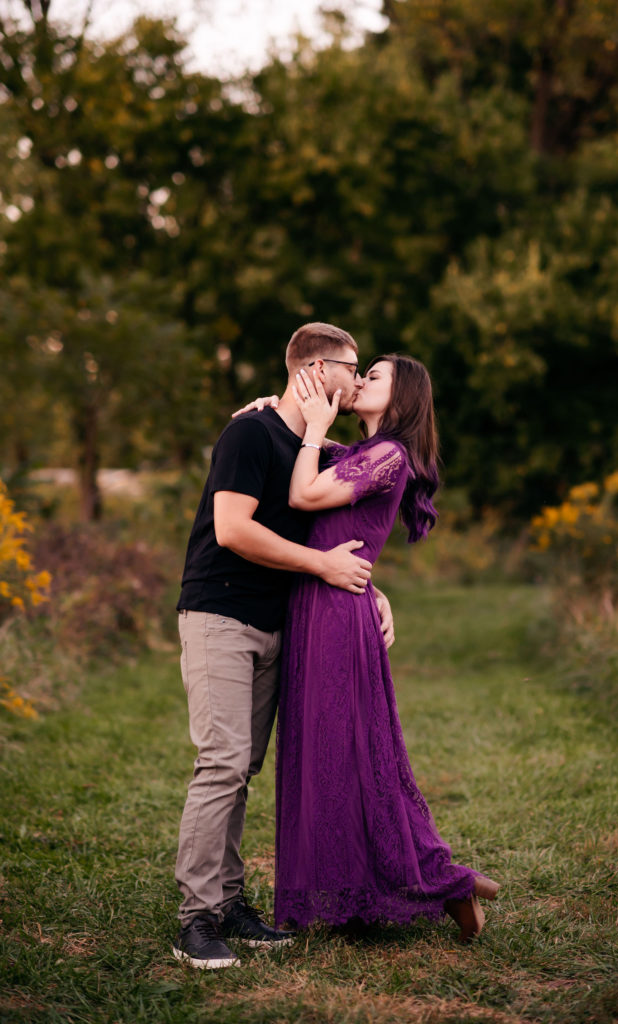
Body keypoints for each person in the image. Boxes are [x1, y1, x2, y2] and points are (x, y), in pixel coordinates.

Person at [172, 322, 396, 969]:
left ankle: (230, 905)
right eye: (351, 366)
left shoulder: (313, 448)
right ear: (316, 368)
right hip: (220, 612)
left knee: (242, 769)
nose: (357, 379)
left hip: (278, 623)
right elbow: (232, 529)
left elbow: (339, 530)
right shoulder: (249, 432)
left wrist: (372, 591)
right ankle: (195, 920)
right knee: (221, 761)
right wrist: (320, 567)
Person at [273, 356, 500, 942]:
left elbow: (303, 496)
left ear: (402, 400)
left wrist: (316, 430)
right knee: (330, 752)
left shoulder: (388, 455)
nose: (361, 382)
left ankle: (440, 880)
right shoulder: (357, 454)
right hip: (318, 602)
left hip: (335, 613)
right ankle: (434, 880)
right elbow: (303, 468)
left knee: (349, 755)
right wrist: (275, 414)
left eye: (374, 376)